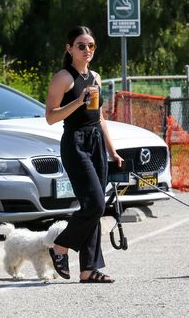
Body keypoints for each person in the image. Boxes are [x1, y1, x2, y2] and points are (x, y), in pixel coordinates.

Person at [46, 25, 124, 283]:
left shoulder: (96, 77)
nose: (88, 50)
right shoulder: (63, 78)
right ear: (69, 49)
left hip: (96, 144)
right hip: (75, 143)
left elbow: (100, 117)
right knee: (95, 204)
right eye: (81, 45)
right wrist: (78, 101)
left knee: (94, 206)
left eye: (91, 45)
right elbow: (50, 117)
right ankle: (60, 247)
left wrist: (112, 151)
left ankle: (88, 269)